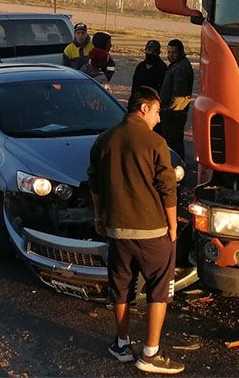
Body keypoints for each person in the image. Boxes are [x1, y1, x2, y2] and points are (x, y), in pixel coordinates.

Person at [88, 86, 184, 375]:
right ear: (144, 108)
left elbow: (95, 184)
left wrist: (99, 217)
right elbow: (167, 188)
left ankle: (121, 343)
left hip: (117, 229)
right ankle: (151, 353)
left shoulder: (103, 141)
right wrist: (173, 224)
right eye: (156, 112)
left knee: (120, 287)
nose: (158, 118)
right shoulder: (155, 143)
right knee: (159, 289)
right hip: (152, 230)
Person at [159, 40, 194, 163]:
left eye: (174, 53)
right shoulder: (177, 65)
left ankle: (176, 166)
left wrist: (166, 109)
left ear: (180, 52)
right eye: (169, 52)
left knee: (173, 142)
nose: (170, 55)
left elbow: (179, 94)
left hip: (175, 113)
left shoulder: (181, 68)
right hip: (173, 111)